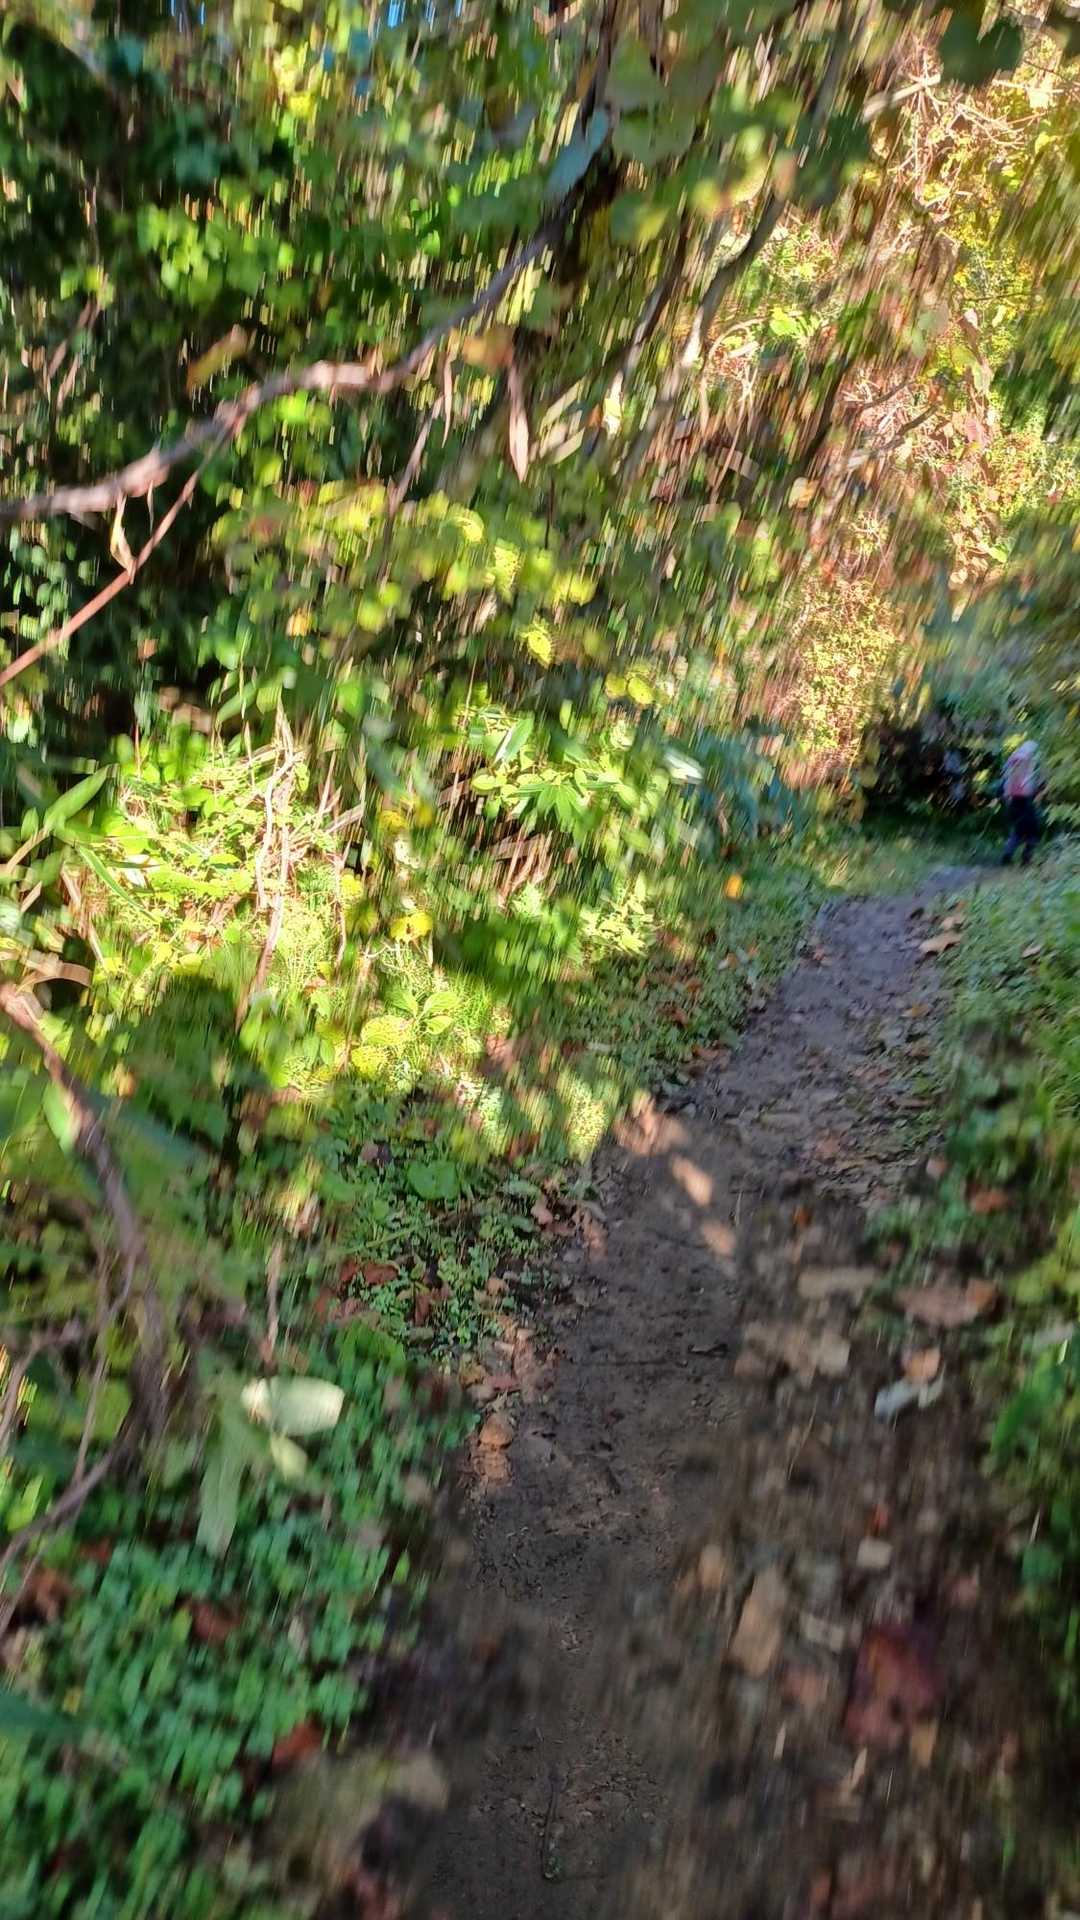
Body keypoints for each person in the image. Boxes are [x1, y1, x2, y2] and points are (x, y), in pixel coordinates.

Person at [1001, 738, 1044, 866]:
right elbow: (1034, 782)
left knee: (1018, 830)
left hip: (1012, 801)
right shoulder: (1030, 760)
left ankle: (1007, 854)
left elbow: (1005, 780)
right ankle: (1026, 859)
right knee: (1033, 832)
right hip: (1025, 801)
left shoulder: (1012, 758)